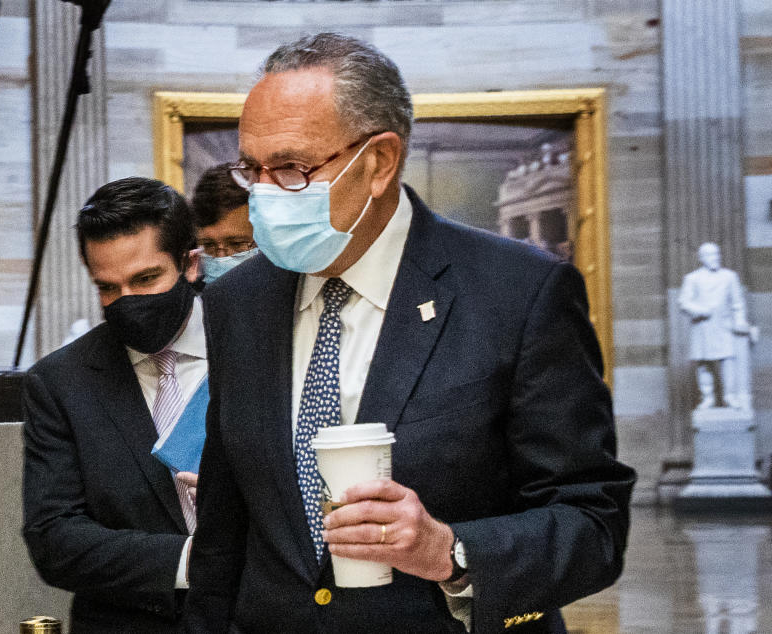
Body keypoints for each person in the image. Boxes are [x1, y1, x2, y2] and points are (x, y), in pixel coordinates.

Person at [183, 33, 635, 633]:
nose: (264, 195)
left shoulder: (516, 293)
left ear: (378, 162)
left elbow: (592, 524)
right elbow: (225, 525)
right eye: (251, 170)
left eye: (291, 169)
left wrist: (449, 552)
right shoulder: (239, 300)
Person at [22, 177, 205, 633]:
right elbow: (54, 537)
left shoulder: (256, 340)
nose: (127, 302)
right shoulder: (60, 381)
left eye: (146, 279)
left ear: (191, 265)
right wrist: (191, 560)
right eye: (108, 288)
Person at [678, 242, 750, 409]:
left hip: (724, 326)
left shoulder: (729, 276)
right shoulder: (692, 278)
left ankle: (729, 396)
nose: (715, 257)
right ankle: (707, 397)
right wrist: (700, 310)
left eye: (717, 254)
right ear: (702, 258)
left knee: (728, 361)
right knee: (704, 363)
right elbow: (683, 302)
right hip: (702, 326)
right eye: (710, 255)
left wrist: (739, 320)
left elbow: (737, 303)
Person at [191, 163, 257, 284]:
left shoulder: (296, 298)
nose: (221, 259)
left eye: (237, 244)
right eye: (209, 245)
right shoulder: (190, 300)